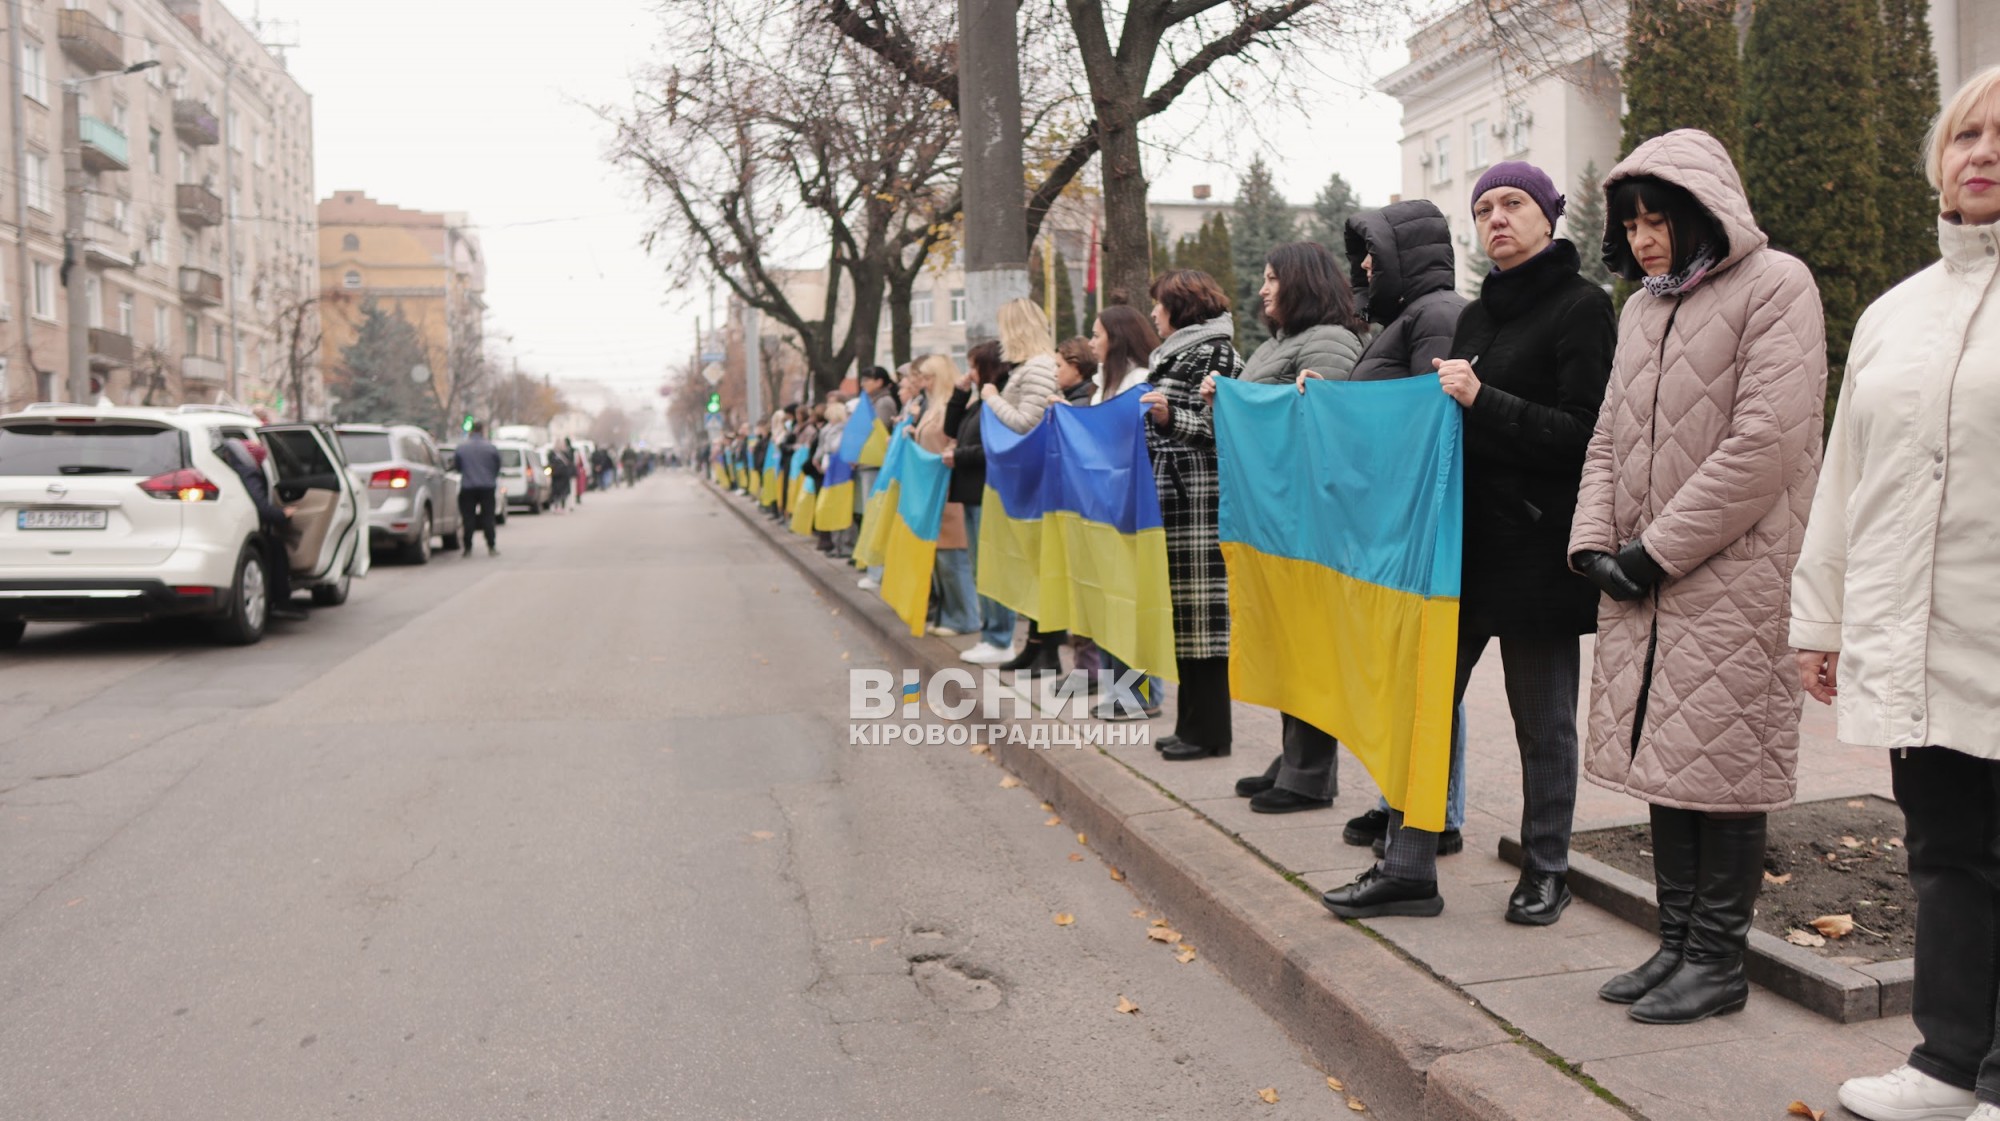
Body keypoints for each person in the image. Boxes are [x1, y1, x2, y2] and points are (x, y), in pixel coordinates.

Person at [1566, 129, 1827, 1025]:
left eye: (1658, 219)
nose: (1643, 238)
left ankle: (1718, 959)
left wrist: (1652, 552)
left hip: (1737, 576)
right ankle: (1676, 942)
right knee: (1669, 764)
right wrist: (1595, 543)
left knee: (1726, 772)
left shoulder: (1777, 285)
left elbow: (1768, 444)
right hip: (1649, 581)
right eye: (1631, 223)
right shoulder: (1641, 309)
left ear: (1701, 210)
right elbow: (1606, 433)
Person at [1325, 163, 1617, 925]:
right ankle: (1409, 866)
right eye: (1484, 207)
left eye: (1513, 203)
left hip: (1536, 548)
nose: (1497, 218)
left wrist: (1486, 399)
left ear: (1549, 216)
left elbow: (1588, 437)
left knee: (1543, 722)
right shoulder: (1476, 316)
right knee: (1422, 706)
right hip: (1456, 549)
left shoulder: (1583, 308)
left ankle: (1547, 868)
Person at [1798, 70, 2000, 1121]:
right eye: (1964, 132)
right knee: (1944, 851)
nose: (1979, 151)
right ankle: (1943, 1063)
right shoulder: (1891, 313)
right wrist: (1819, 620)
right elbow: (1845, 475)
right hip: (1914, 628)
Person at [1292, 200, 1475, 856]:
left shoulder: (1438, 316)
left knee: (1425, 675)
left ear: (1402, 252)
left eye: (1372, 250)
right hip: (1393, 526)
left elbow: (1427, 418)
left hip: (1416, 528)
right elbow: (1383, 408)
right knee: (1402, 673)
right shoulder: (1406, 319)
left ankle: (1438, 812)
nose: (1363, 264)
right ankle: (1398, 798)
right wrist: (1334, 395)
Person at [1199, 240, 1369, 813]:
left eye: (1273, 277)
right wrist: (1220, 400)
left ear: (1302, 281)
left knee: (1308, 648)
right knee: (1287, 646)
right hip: (1277, 520)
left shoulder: (1331, 341)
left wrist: (1245, 398)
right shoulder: (1283, 342)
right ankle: (1293, 757)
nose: (1263, 288)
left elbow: (1330, 422)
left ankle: (1312, 773)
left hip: (1308, 524)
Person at [1138, 269, 1243, 762]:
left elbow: (1225, 426)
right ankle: (1191, 726)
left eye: (1159, 304)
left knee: (1204, 621)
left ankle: (1210, 734)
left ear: (1181, 307)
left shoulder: (1217, 352)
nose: (1154, 314)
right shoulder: (1179, 353)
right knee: (1187, 619)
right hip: (1178, 499)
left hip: (1200, 501)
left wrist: (1167, 416)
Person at [1085, 306, 1165, 719]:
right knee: (1110, 600)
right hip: (1104, 507)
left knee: (1132, 600)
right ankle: (1120, 688)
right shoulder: (1104, 385)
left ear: (1116, 338)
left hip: (1130, 507)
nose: (1091, 341)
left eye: (1096, 334)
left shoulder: (1137, 382)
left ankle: (1141, 694)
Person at [984, 298, 1067, 676]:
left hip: (1039, 482)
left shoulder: (1036, 369)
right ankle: (1036, 648)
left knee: (1042, 567)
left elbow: (1025, 422)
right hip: (1033, 480)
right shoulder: (1035, 368)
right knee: (1037, 568)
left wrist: (991, 400)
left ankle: (1046, 652)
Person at [953, 341, 1020, 666]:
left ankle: (1000, 636)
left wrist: (958, 456)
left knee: (993, 568)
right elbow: (953, 428)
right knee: (982, 567)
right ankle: (990, 632)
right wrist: (958, 393)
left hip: (988, 492)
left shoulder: (999, 399)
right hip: (972, 492)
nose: (969, 373)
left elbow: (994, 448)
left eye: (973, 366)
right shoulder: (982, 400)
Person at [910, 354, 978, 635]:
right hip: (935, 489)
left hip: (949, 490)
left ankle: (965, 616)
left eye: (927, 377)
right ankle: (951, 614)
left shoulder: (953, 405)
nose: (922, 383)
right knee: (942, 558)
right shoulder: (933, 406)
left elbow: (953, 440)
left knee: (954, 558)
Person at [218, 437, 305, 621]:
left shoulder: (234, 467)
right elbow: (262, 509)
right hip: (247, 529)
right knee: (277, 550)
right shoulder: (249, 473)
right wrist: (282, 514)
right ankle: (281, 601)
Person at [1092, 304, 1160, 402]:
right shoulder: (1103, 380)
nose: (1091, 343)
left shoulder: (1141, 381)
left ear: (1116, 339)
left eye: (1096, 336)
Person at [455, 421, 502, 558]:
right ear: (482, 430)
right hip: (487, 487)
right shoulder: (491, 447)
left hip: (468, 487)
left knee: (468, 518)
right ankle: (491, 546)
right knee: (488, 517)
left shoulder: (462, 448)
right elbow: (497, 466)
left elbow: (458, 467)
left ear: (471, 431)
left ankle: (468, 548)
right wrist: (490, 477)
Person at [550, 438, 576, 512]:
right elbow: (550, 463)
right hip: (557, 475)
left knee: (563, 492)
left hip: (563, 475)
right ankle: (557, 506)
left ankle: (561, 506)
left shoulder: (566, 453)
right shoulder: (552, 453)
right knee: (557, 492)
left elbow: (570, 463)